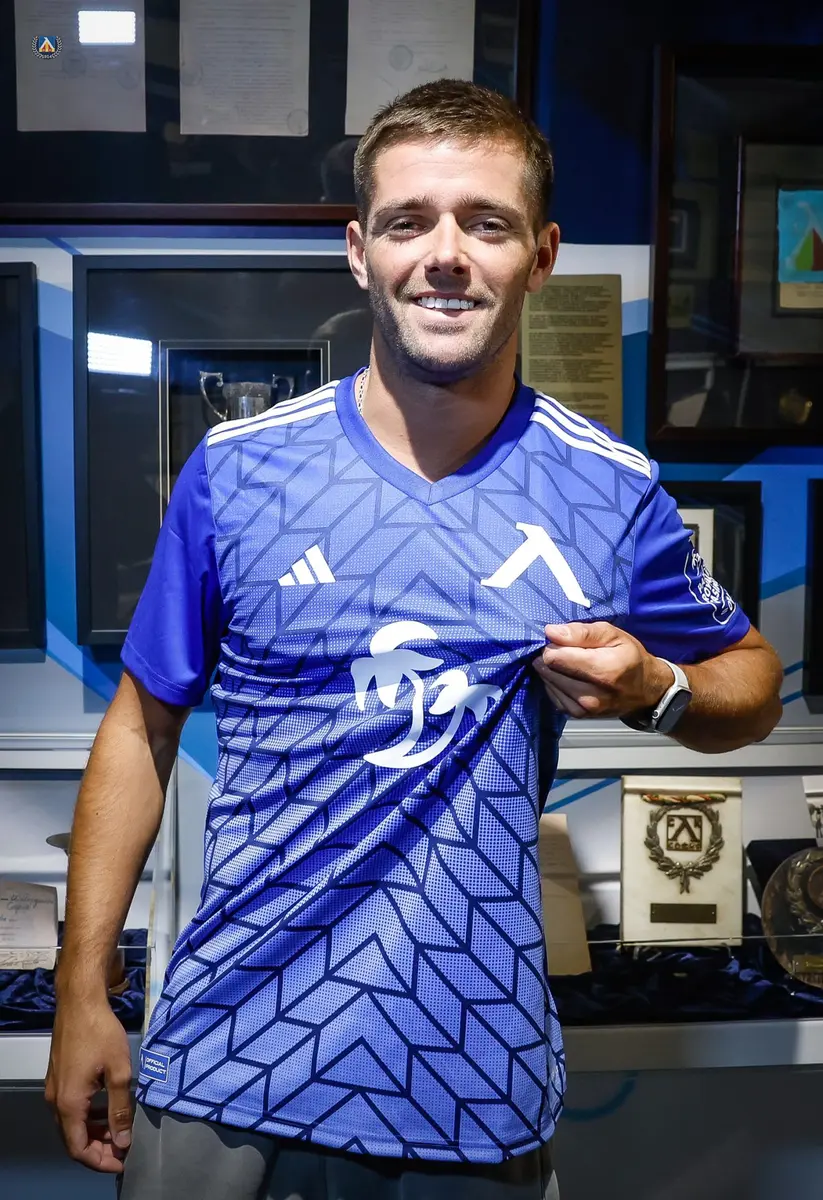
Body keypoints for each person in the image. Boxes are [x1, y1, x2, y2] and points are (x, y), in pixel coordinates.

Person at [45, 79, 783, 1199]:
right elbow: (141, 730)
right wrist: (82, 991)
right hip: (227, 1060)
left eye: (485, 223)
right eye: (408, 222)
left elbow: (753, 683)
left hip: (470, 1077)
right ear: (359, 252)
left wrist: (657, 686)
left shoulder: (609, 491)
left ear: (539, 256)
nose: (444, 255)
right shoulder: (238, 473)